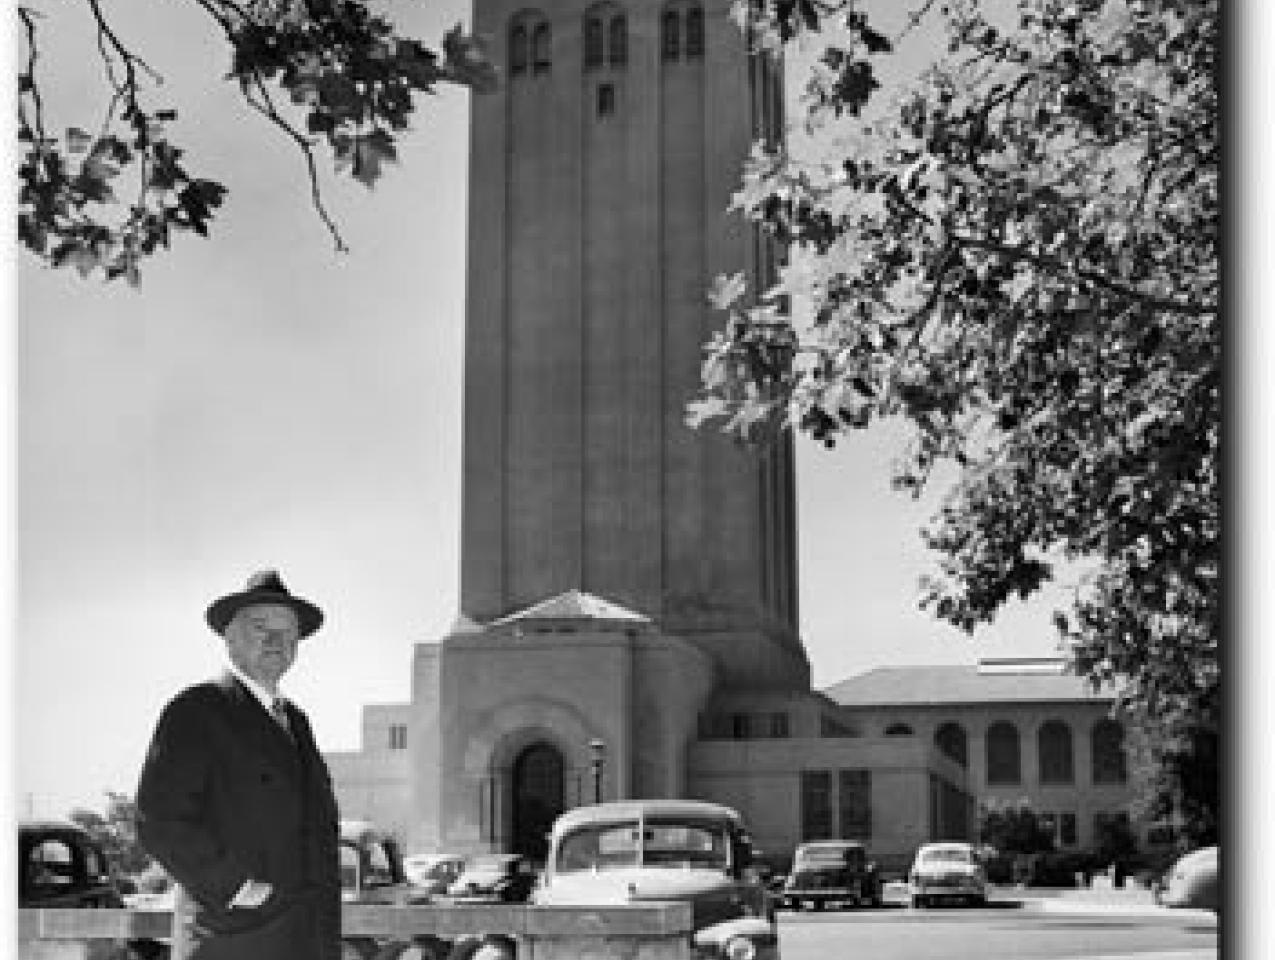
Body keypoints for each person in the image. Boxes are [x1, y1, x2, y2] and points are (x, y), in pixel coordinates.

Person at [136, 570, 340, 960]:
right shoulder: (197, 709)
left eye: (288, 631)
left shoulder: (298, 723)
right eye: (260, 626)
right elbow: (159, 821)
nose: (276, 639)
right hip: (232, 941)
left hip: (307, 943)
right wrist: (237, 888)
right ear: (229, 638)